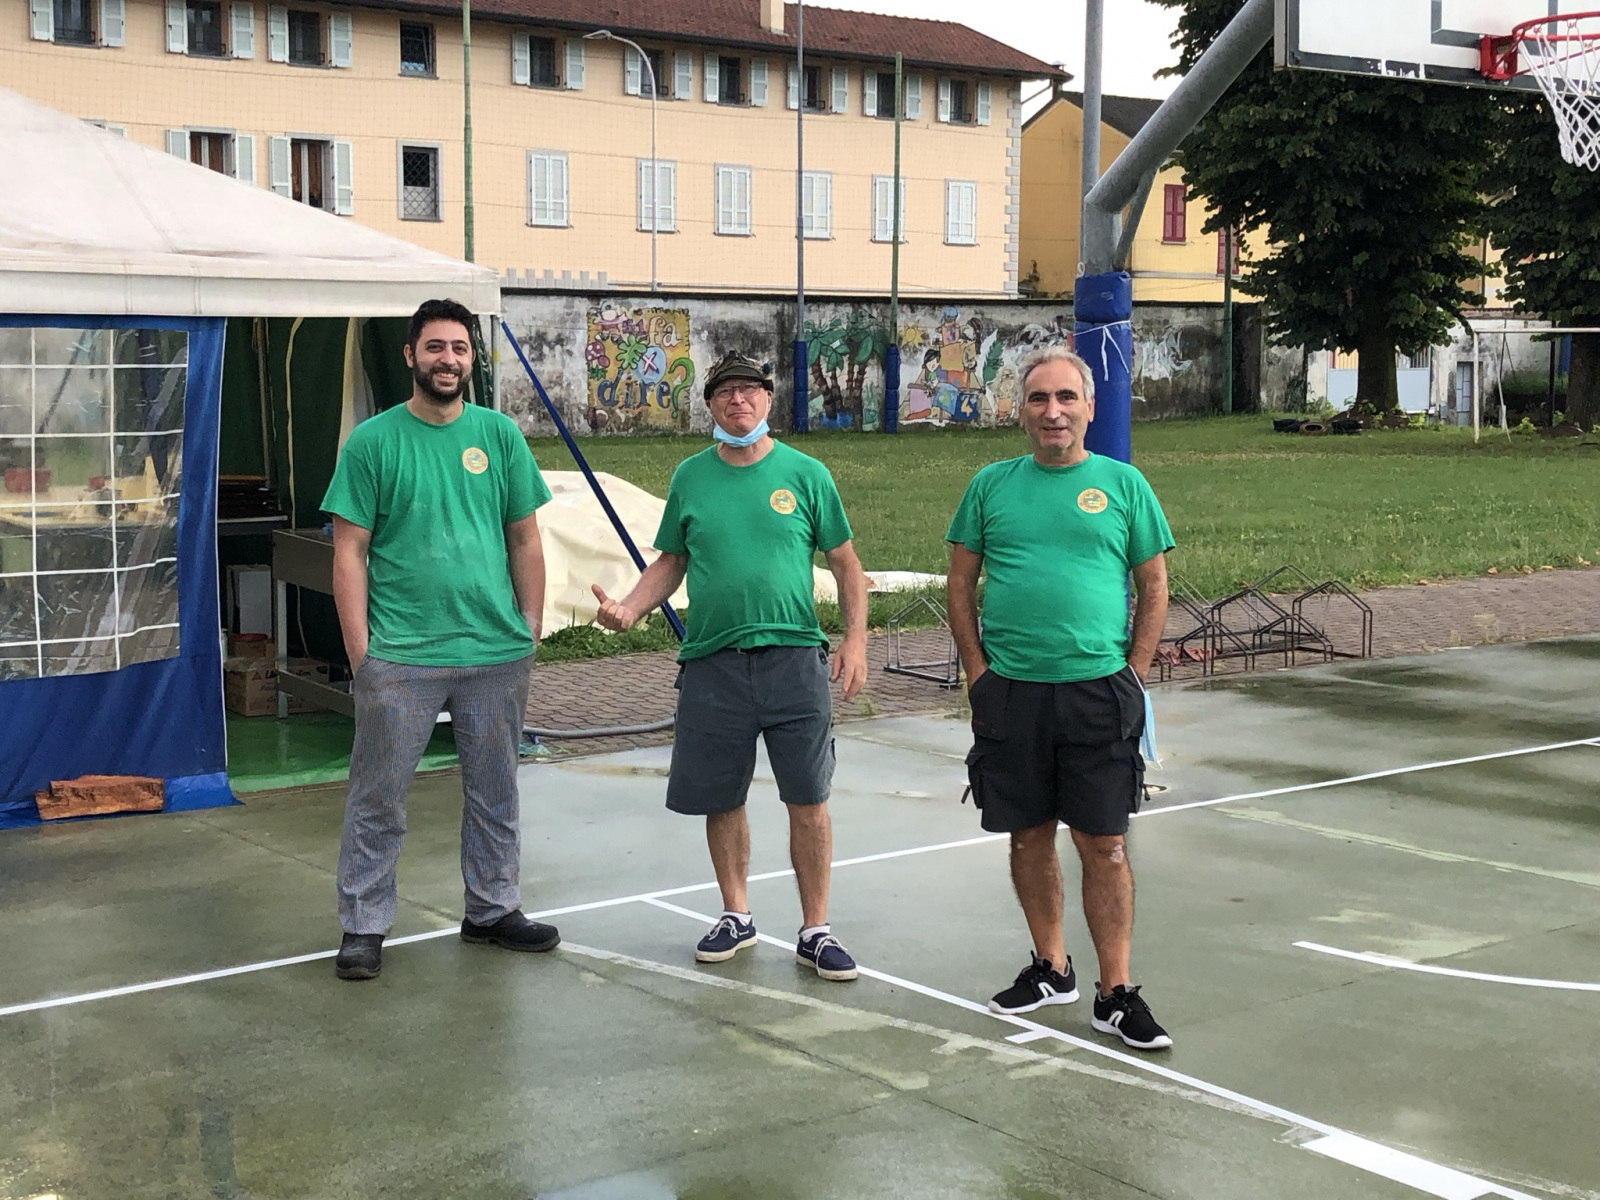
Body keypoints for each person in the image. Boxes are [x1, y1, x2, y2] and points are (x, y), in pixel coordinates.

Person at [591, 352, 869, 981]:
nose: (737, 400)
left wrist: (855, 641)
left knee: (809, 797)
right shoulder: (691, 477)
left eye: (749, 390)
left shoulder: (806, 474)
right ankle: (736, 914)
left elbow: (846, 563)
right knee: (722, 797)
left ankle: (816, 929)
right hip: (713, 662)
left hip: (794, 659)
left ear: (767, 400)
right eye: (725, 392)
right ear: (711, 406)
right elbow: (672, 560)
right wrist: (630, 607)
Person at [321, 298, 559, 982]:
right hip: (401, 656)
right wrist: (362, 653)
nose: (447, 359)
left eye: (458, 347)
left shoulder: (500, 435)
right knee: (379, 797)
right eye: (434, 347)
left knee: (496, 791)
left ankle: (492, 908)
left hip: (495, 653)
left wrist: (530, 625)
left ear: (471, 358)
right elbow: (348, 552)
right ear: (410, 356)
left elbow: (524, 538)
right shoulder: (372, 443)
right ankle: (364, 924)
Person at [945, 345, 1175, 1050]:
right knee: (1028, 834)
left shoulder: (1123, 484)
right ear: (1020, 411)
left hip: (1098, 691)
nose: (1053, 412)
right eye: (1039, 399)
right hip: (1011, 693)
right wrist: (978, 673)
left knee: (1104, 845)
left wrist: (1134, 671)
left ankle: (1115, 993)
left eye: (1066, 398)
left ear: (1090, 408)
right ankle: (1052, 968)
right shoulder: (990, 486)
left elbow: (1154, 585)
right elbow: (960, 585)